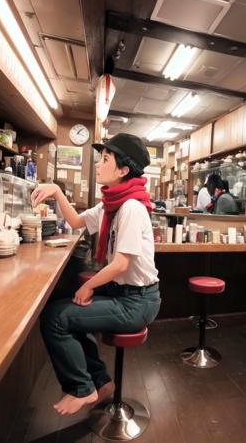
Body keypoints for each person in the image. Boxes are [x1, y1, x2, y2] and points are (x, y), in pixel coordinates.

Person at [31, 133, 161, 416]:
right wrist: (56, 191)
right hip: (121, 292)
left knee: (56, 318)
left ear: (124, 170)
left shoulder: (131, 207)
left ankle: (81, 387)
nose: (99, 165)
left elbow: (120, 264)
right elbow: (77, 221)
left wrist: (88, 287)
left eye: (105, 160)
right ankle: (100, 383)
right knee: (61, 308)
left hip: (137, 302)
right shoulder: (110, 204)